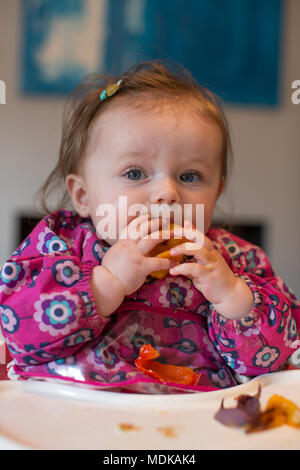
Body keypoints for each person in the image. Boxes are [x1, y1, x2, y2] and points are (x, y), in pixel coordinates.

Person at [0, 62, 299, 394]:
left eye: (189, 176)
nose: (167, 194)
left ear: (216, 192)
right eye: (134, 173)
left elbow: (274, 357)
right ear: (83, 195)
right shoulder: (61, 246)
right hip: (76, 408)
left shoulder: (234, 260)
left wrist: (231, 295)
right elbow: (20, 332)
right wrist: (105, 283)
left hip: (197, 416)